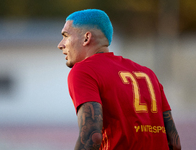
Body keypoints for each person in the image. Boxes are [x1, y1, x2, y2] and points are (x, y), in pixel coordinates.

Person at [57, 9, 181, 150]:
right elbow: (174, 142)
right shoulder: (148, 74)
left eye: (66, 36)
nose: (60, 44)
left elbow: (92, 136)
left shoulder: (84, 71)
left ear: (86, 38)